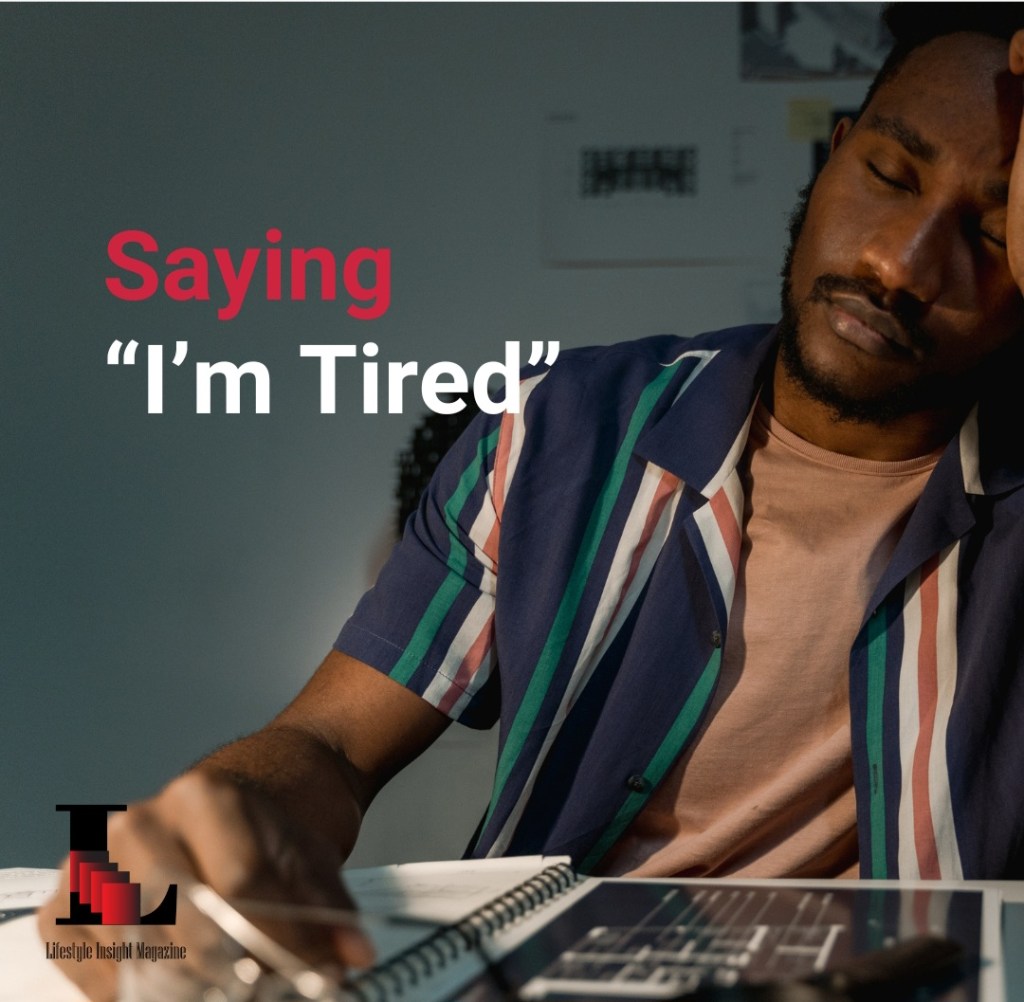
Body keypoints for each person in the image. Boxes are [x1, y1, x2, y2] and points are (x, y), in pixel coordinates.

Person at [39, 6, 1024, 998]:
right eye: (888, 175)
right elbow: (328, 744)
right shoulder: (558, 429)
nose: (901, 266)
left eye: (991, 231)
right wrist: (206, 830)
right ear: (831, 156)